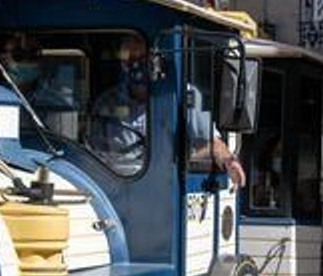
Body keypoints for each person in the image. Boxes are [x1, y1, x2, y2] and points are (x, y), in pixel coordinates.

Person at [88, 35, 245, 187]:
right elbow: (94, 155)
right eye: (131, 59)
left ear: (156, 61)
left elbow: (213, 144)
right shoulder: (106, 103)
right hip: (117, 188)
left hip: (166, 188)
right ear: (123, 63)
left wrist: (229, 162)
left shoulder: (184, 96)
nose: (137, 66)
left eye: (142, 59)